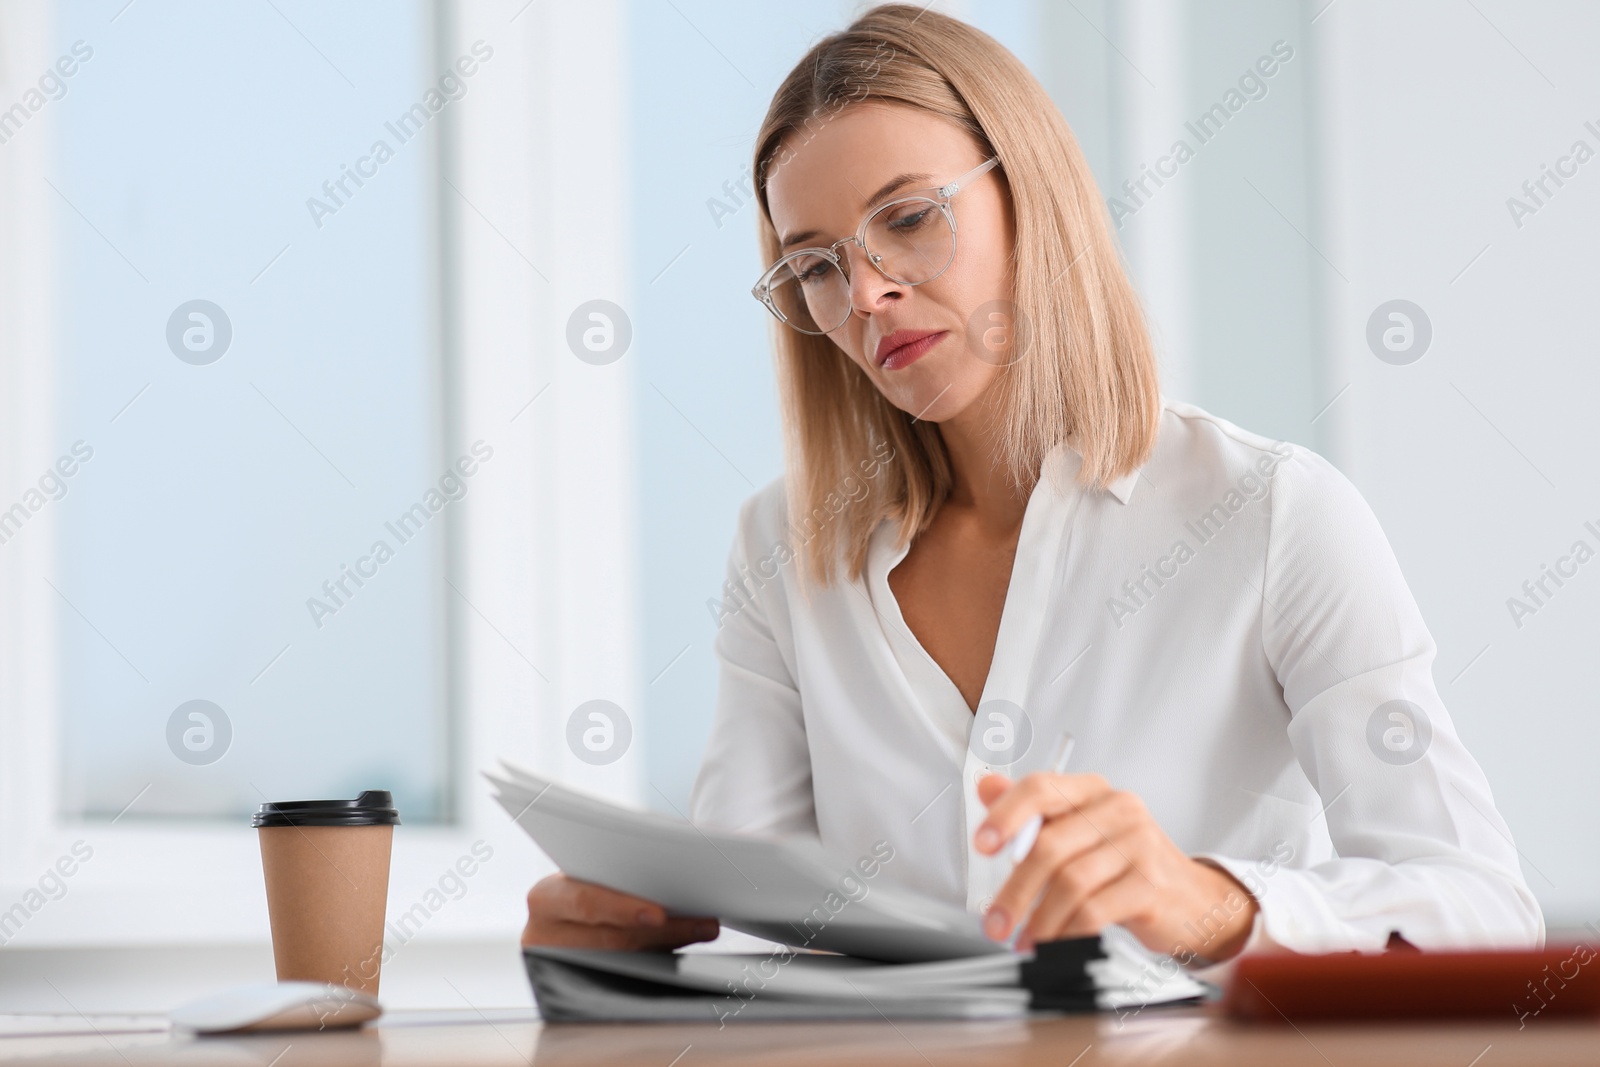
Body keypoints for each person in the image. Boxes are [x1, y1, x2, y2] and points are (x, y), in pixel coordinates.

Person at [523, 4, 1541, 969]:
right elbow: (757, 925)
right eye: (818, 269)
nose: (868, 292)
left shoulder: (1274, 513)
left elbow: (1482, 909)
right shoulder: (782, 546)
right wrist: (627, 946)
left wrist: (1209, 903)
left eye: (911, 218)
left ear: (1031, 195)